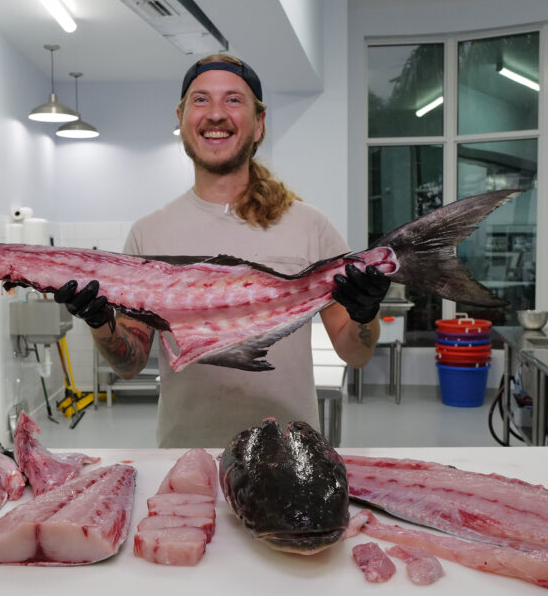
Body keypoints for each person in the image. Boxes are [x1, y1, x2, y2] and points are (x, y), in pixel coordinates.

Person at [54, 53, 390, 448]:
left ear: (259, 123)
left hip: (291, 456)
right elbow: (130, 363)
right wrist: (101, 324)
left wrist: (364, 316)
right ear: (181, 118)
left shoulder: (310, 227)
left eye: (233, 99)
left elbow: (357, 353)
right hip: (186, 457)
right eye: (200, 100)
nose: (216, 114)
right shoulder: (149, 234)